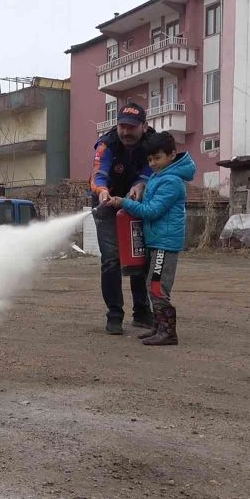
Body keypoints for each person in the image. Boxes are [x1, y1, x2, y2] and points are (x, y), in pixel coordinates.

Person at [109, 131, 197, 346]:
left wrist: (125, 203)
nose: (153, 163)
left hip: (164, 244)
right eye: (150, 159)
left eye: (157, 158)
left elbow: (152, 211)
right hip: (156, 242)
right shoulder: (159, 177)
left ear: (172, 155)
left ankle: (168, 333)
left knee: (157, 286)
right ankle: (159, 327)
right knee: (151, 284)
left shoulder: (172, 182)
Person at [90, 102, 156, 335]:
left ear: (144, 127)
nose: (126, 132)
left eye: (132, 127)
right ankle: (115, 315)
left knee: (140, 257)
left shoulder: (152, 143)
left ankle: (141, 312)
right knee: (111, 260)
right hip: (106, 204)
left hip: (137, 203)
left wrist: (141, 183)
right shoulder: (106, 144)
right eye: (122, 126)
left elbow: (154, 169)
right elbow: (98, 174)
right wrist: (102, 191)